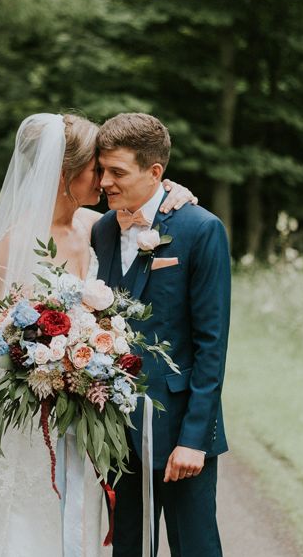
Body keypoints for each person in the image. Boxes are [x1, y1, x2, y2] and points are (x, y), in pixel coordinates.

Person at [0, 112, 196, 557]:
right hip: (38, 417)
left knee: (79, 518)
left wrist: (174, 192)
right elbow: (1, 334)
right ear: (65, 174)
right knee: (28, 522)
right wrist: (54, 366)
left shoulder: (95, 227)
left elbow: (147, 211)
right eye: (96, 168)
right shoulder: (17, 240)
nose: (103, 179)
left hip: (87, 416)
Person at [92, 113, 231, 557]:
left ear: (155, 173)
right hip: (115, 428)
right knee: (128, 547)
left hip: (179, 429)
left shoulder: (200, 229)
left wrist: (195, 439)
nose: (105, 182)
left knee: (196, 548)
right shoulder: (100, 230)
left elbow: (212, 344)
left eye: (117, 172)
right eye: (101, 170)